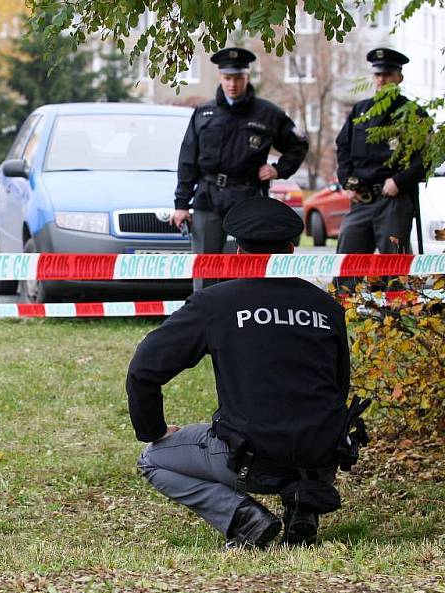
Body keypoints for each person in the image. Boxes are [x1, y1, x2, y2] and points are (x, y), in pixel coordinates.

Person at [127, 197, 352, 549]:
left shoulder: (216, 304)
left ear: (238, 250)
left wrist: (153, 430)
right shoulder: (327, 307)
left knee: (153, 459)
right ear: (292, 249)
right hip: (319, 456)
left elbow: (144, 368)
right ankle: (303, 505)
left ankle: (244, 517)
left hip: (249, 458)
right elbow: (339, 389)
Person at [170, 47, 309, 290]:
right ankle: (206, 318)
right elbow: (187, 160)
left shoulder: (268, 113)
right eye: (227, 78)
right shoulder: (204, 113)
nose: (232, 84)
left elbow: (298, 144)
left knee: (250, 264)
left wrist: (278, 170)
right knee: (205, 266)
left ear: (247, 77)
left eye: (238, 78)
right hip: (208, 196)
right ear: (220, 78)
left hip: (248, 197)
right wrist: (181, 204)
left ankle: (247, 316)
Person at [335, 48, 427, 292]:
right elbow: (343, 148)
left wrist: (399, 180)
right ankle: (345, 316)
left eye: (387, 75)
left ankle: (395, 321)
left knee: (393, 268)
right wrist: (347, 181)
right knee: (347, 260)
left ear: (399, 78)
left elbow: (426, 158)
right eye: (377, 75)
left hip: (393, 199)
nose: (381, 80)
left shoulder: (413, 114)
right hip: (362, 198)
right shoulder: (361, 110)